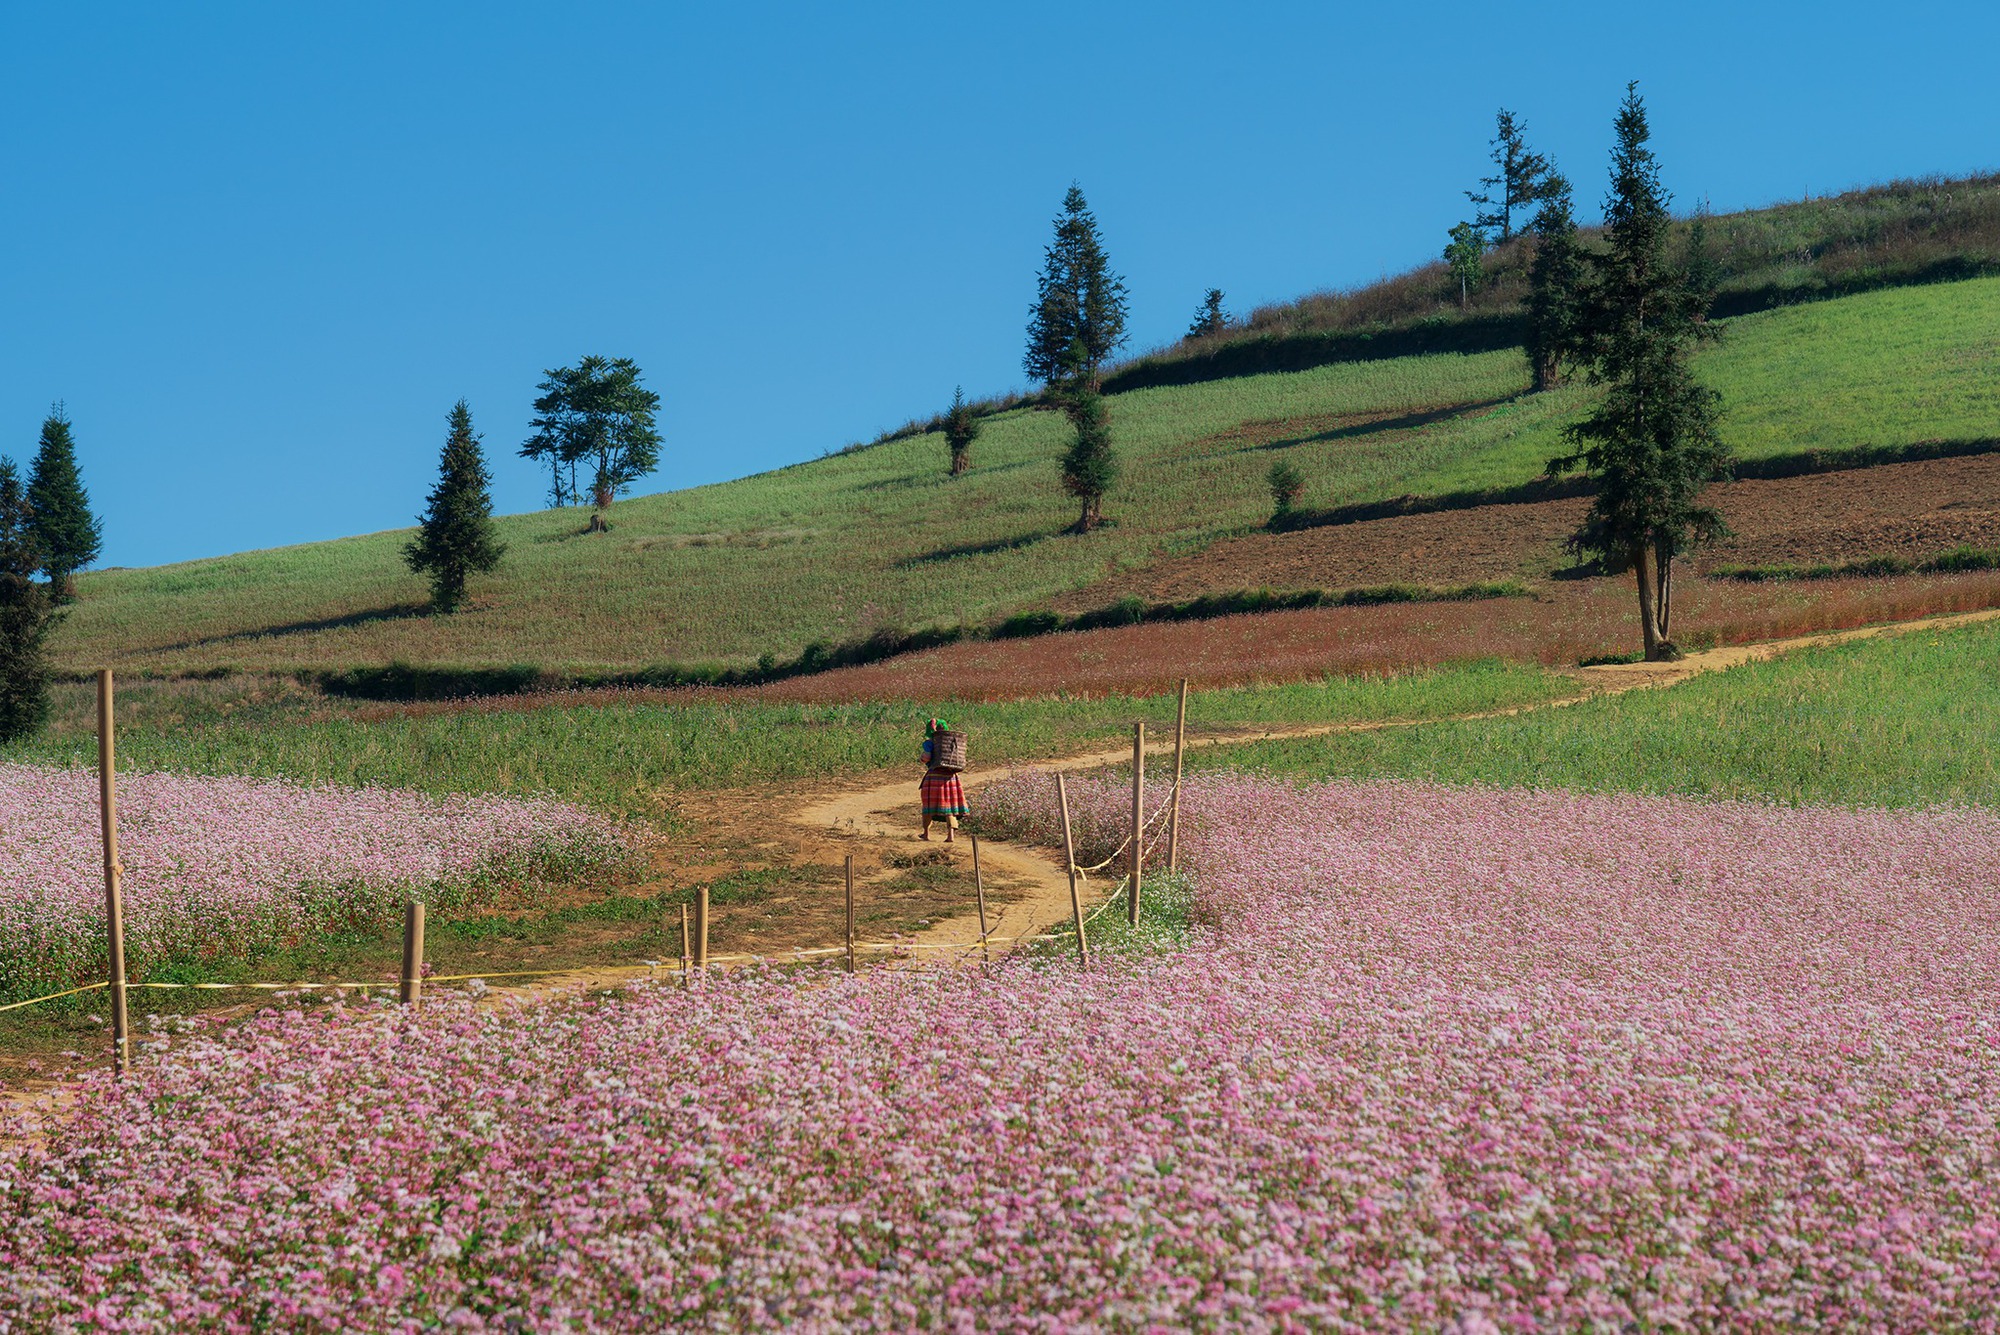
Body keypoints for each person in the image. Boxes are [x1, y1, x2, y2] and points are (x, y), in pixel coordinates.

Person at [919, 717, 969, 841]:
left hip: (934, 777)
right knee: (950, 806)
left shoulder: (930, 743)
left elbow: (927, 757)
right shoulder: (952, 741)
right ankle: (950, 835)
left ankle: (926, 833)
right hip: (951, 777)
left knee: (929, 806)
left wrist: (922, 758)